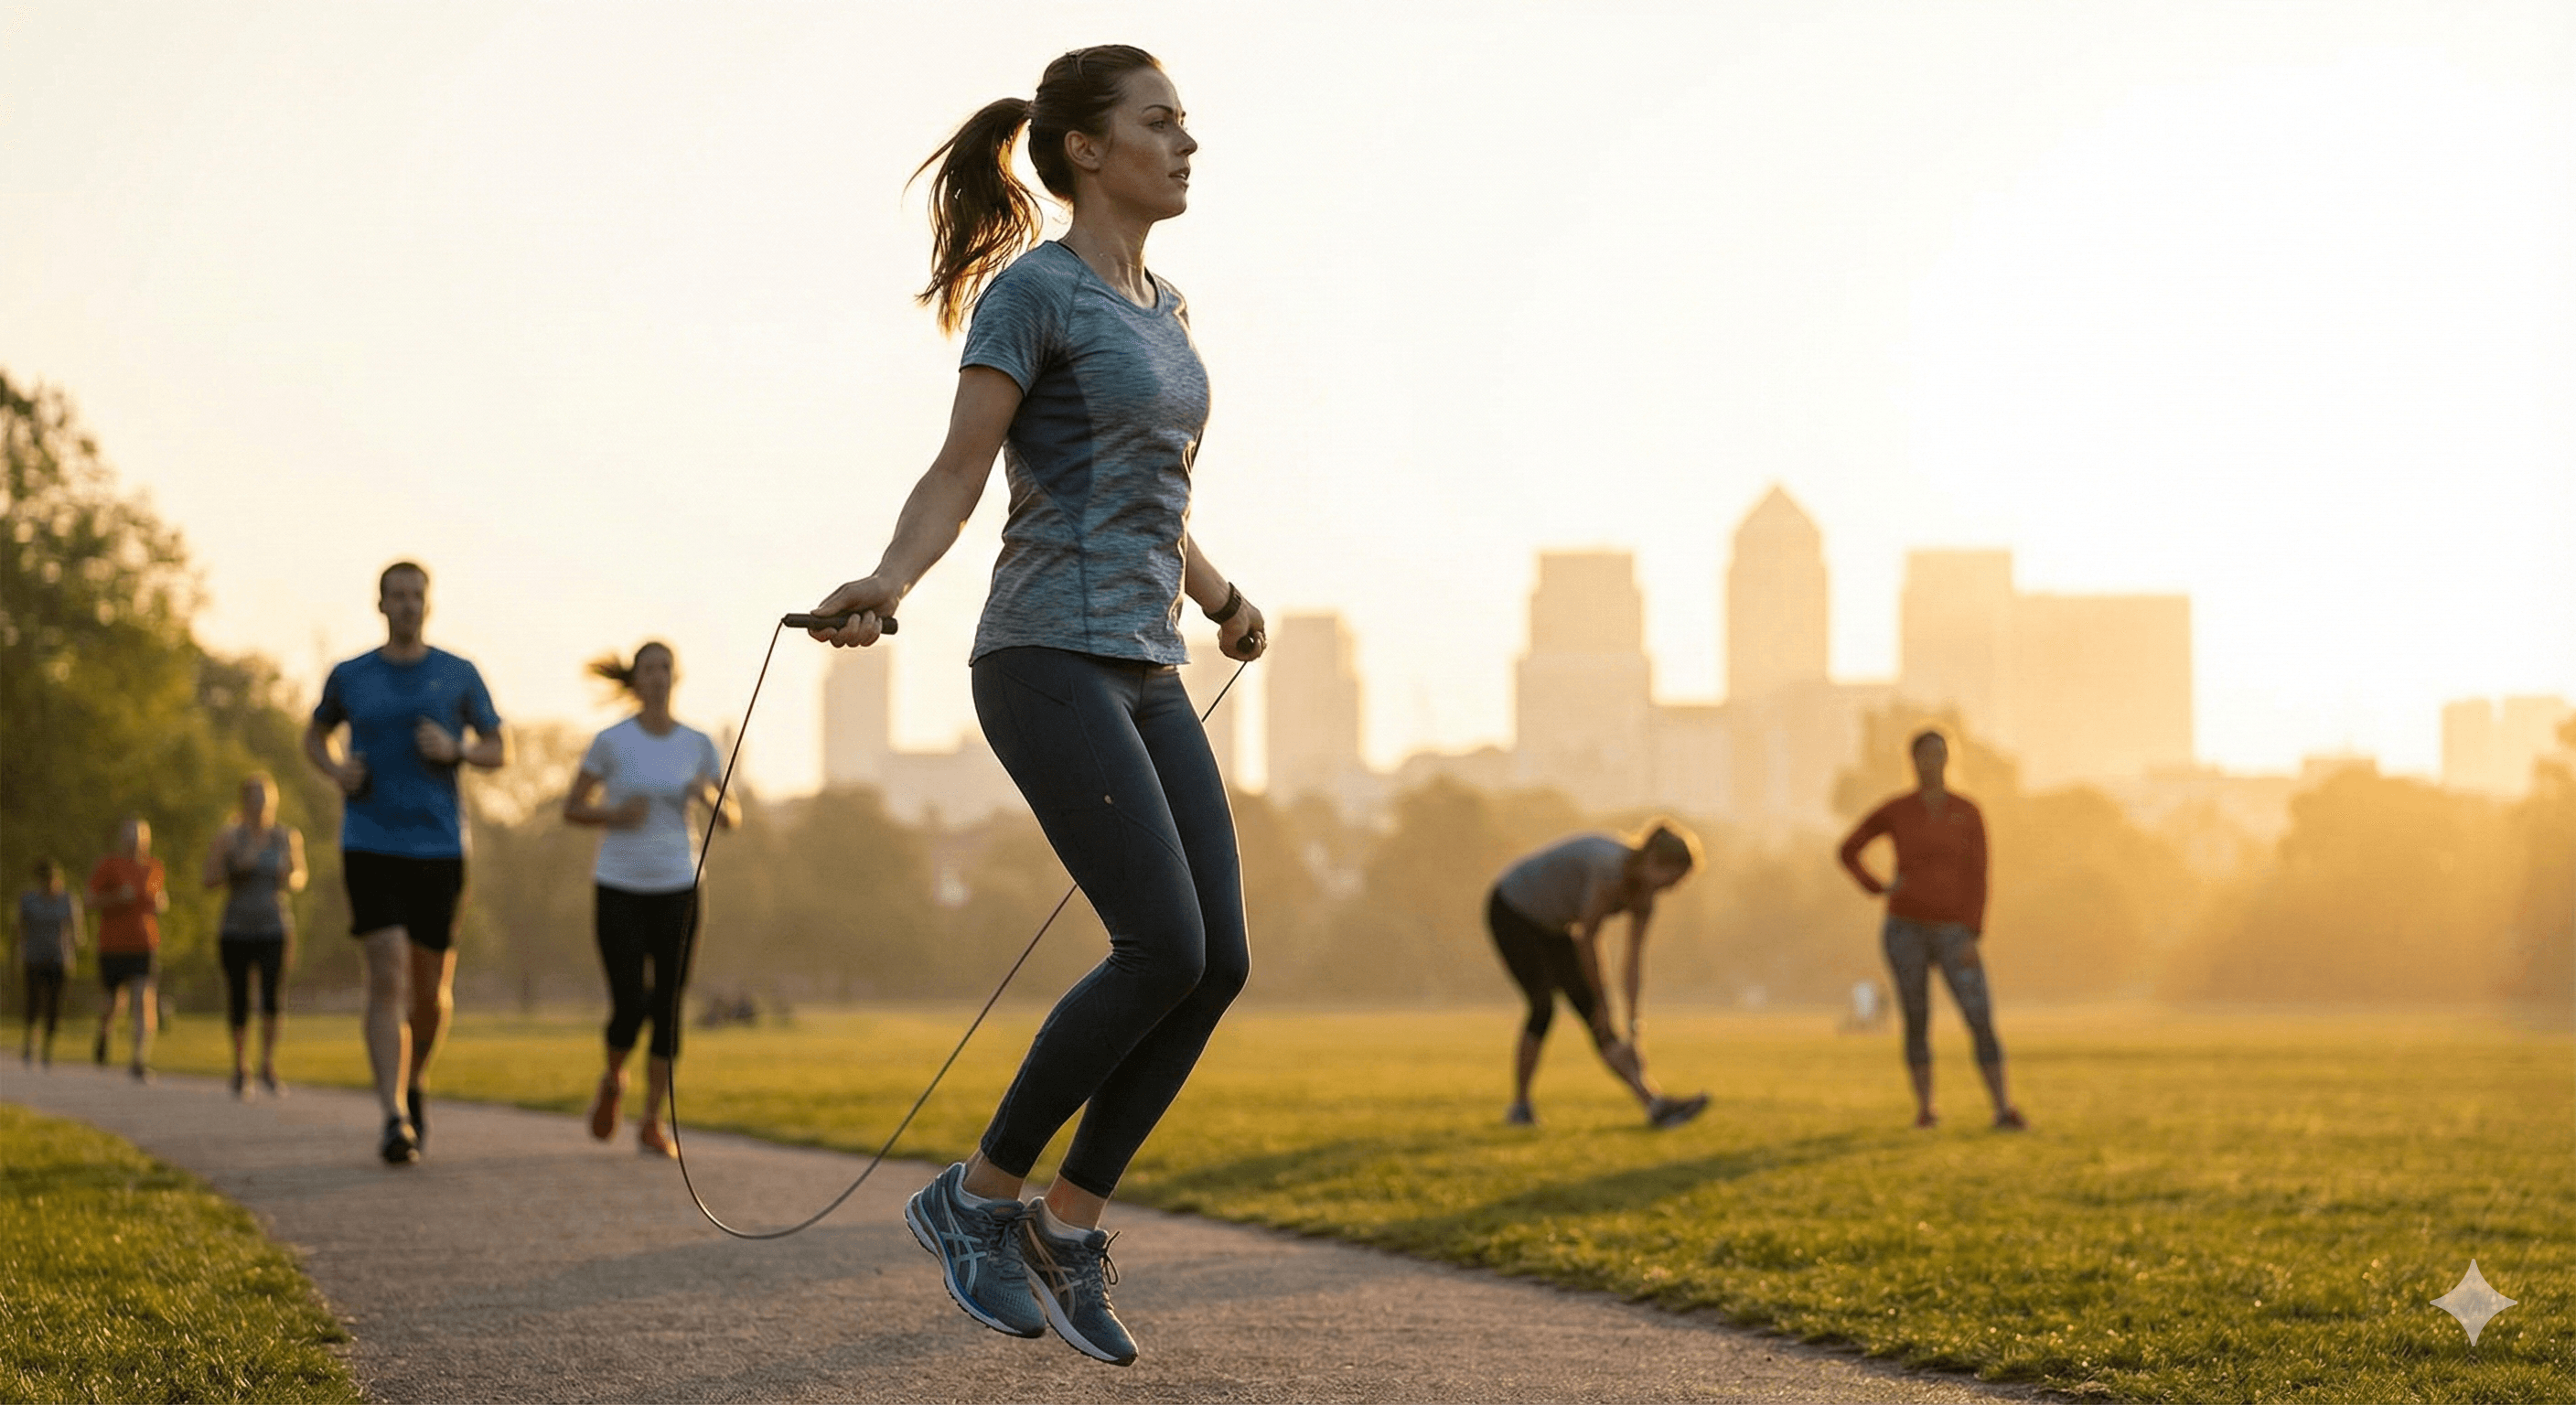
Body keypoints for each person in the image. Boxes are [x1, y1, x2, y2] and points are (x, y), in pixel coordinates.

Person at [805, 45, 1257, 1367]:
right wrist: (889, 583)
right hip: (1043, 655)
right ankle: (978, 1197)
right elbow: (961, 467)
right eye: (1159, 123)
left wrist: (1225, 598)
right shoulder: (1035, 294)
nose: (1186, 143)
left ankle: (1066, 1222)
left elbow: (1150, 490)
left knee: (1220, 960)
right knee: (1160, 946)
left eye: (1187, 124)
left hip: (1148, 661)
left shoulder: (1166, 306)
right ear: (1084, 151)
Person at [303, 561, 507, 1164]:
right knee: (385, 973)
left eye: (417, 596)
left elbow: (500, 747)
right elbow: (313, 736)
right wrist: (335, 769)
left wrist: (459, 749)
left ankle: (413, 1079)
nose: (408, 605)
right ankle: (393, 1116)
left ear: (429, 603)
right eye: (398, 596)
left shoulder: (458, 673)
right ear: (380, 604)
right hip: (369, 841)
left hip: (440, 847)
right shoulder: (351, 675)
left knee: (429, 992)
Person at [562, 641, 734, 1158]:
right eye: (648, 670)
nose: (657, 678)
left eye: (665, 669)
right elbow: (571, 808)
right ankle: (614, 1078)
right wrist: (613, 815)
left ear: (675, 677)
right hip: (618, 885)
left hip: (680, 885)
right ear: (635, 681)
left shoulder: (699, 743)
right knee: (629, 1004)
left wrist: (710, 799)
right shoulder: (611, 742)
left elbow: (732, 816)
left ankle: (653, 1120)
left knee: (669, 1006)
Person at [1837, 728, 2025, 1131]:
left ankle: (2002, 1107)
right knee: (1916, 1017)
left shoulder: (1967, 811)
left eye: (1940, 754)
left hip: (1956, 931)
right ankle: (1926, 1109)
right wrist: (1878, 887)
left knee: (1979, 1015)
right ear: (1913, 760)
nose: (1933, 762)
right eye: (1925, 754)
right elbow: (1848, 850)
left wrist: (1974, 933)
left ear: (1949, 760)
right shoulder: (1897, 810)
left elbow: (1980, 876)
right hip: (1905, 928)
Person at [1487, 821, 1710, 1130]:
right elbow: (1588, 938)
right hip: (1513, 909)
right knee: (1543, 1006)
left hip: (1555, 925)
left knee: (1599, 1022)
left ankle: (1655, 1106)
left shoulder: (1645, 897)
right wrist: (1603, 1002)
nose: (1675, 887)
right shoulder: (1609, 871)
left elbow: (1633, 963)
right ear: (1653, 863)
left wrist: (1633, 1028)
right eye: (1673, 878)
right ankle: (1520, 1108)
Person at [202, 772, 307, 1099]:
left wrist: (287, 877)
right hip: (235, 927)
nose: (260, 803)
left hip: (275, 926)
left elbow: (300, 876)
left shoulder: (286, 836)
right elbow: (209, 878)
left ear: (273, 801)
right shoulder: (228, 837)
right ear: (244, 801)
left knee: (273, 998)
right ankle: (239, 1065)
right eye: (254, 797)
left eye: (265, 797)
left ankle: (268, 1064)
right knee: (238, 998)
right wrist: (237, 868)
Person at [87, 818, 166, 1080]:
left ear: (147, 840)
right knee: (113, 1003)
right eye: (130, 836)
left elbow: (159, 899)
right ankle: (104, 1032)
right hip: (112, 944)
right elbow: (89, 900)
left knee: (143, 999)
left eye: (140, 837)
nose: (135, 842)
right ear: (122, 839)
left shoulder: (154, 868)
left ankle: (138, 1059)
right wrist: (116, 898)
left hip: (144, 943)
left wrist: (160, 902)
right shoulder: (108, 866)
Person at [18, 859, 83, 1067]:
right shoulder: (29, 900)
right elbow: (20, 928)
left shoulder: (68, 900)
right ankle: (29, 1042)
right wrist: (18, 954)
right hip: (34, 958)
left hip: (59, 959)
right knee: (33, 1002)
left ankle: (48, 1047)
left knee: (54, 1005)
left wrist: (75, 948)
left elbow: (77, 931)